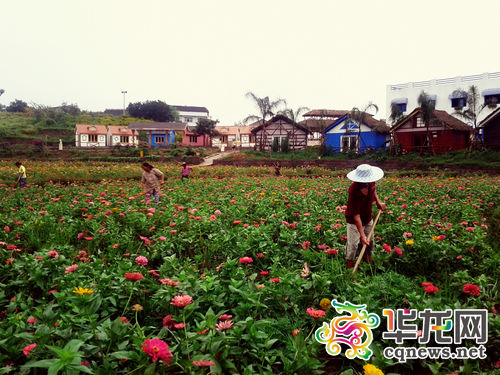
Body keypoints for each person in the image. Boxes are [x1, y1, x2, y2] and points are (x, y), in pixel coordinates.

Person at [344, 164, 387, 269]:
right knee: (353, 244)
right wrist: (362, 236)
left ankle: (367, 261)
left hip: (367, 217)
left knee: (370, 241)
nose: (366, 187)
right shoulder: (353, 190)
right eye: (364, 185)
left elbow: (373, 190)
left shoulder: (371, 181)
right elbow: (356, 215)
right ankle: (350, 266)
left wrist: (378, 202)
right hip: (354, 221)